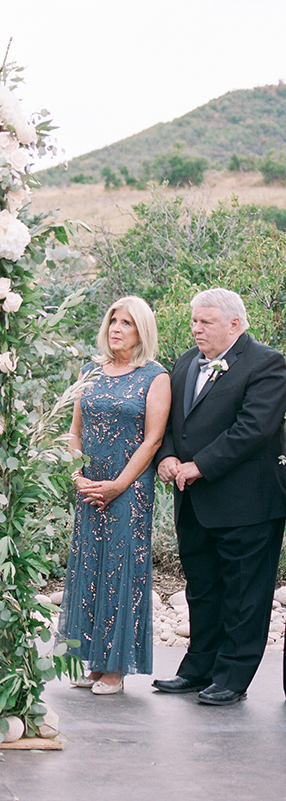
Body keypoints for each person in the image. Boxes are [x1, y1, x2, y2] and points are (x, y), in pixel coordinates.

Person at [153, 288, 286, 705]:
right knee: (202, 589)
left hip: (248, 503)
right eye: (194, 321)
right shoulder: (184, 364)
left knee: (245, 593)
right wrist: (169, 456)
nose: (196, 329)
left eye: (205, 322)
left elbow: (254, 429)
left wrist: (200, 465)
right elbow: (174, 422)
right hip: (193, 501)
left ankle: (232, 677)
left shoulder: (268, 364)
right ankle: (198, 669)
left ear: (235, 323)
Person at [58, 296, 170, 695]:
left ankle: (116, 668)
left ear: (143, 331)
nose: (117, 328)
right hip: (90, 486)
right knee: (89, 567)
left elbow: (154, 439)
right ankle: (92, 660)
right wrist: (76, 474)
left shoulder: (155, 377)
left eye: (128, 323)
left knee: (121, 571)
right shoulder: (89, 371)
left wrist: (119, 485)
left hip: (129, 489)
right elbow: (74, 430)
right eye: (113, 321)